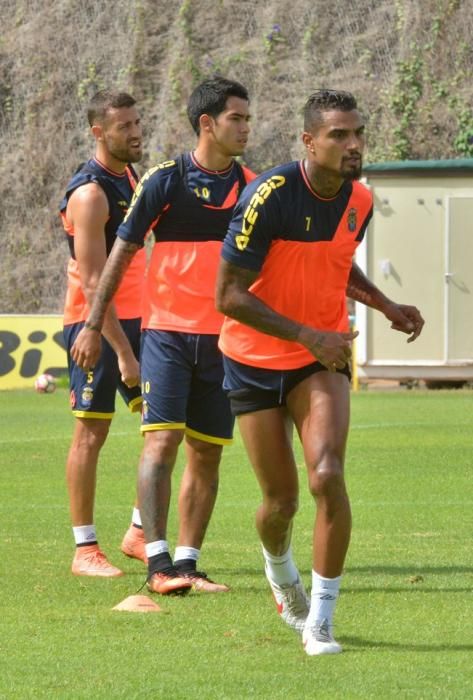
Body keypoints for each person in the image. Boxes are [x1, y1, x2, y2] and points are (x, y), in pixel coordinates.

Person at [215, 88, 424, 655]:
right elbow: (228, 296)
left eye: (357, 133)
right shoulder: (269, 195)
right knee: (279, 503)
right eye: (339, 135)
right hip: (253, 358)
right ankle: (280, 569)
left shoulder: (359, 199)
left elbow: (337, 264)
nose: (353, 144)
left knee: (327, 475)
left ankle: (321, 621)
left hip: (321, 357)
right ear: (309, 141)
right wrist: (307, 332)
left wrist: (385, 305)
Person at [71, 77, 255, 595]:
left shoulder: (253, 186)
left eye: (247, 118)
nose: (246, 127)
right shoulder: (164, 180)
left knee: (209, 451)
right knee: (161, 443)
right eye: (236, 118)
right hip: (167, 337)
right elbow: (119, 256)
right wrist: (92, 324)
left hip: (225, 341)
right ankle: (157, 563)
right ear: (207, 124)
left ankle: (190, 563)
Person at [61, 89, 145, 577]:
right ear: (99, 132)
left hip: (140, 319)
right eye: (125, 127)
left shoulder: (131, 176)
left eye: (138, 123)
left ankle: (138, 532)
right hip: (96, 327)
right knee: (92, 431)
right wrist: (122, 351)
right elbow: (93, 280)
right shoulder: (90, 193)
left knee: (166, 426)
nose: (136, 132)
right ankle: (84, 550)